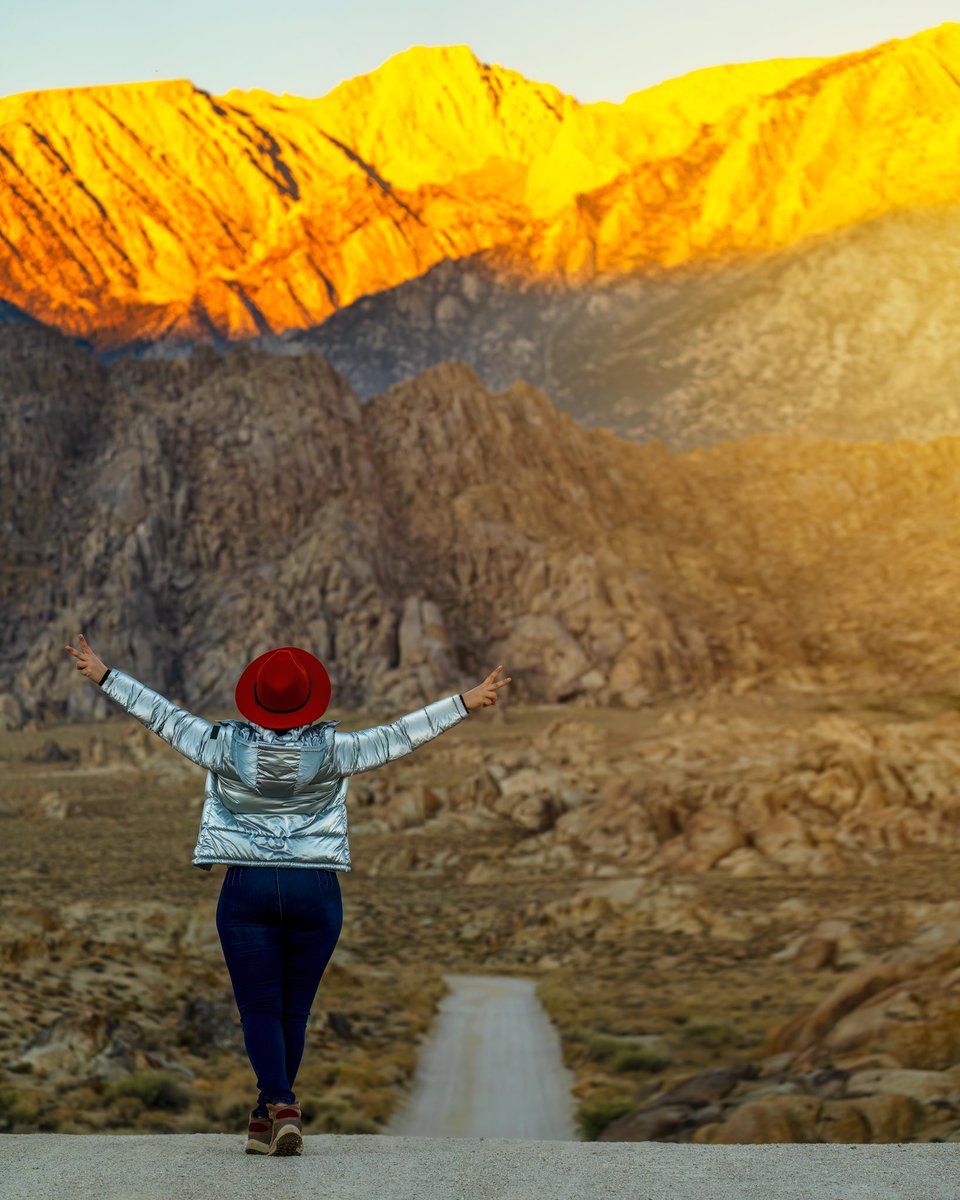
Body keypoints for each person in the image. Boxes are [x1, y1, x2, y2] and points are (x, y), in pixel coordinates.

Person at [64, 632, 511, 1156]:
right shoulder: (335, 751)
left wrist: (105, 675)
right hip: (315, 889)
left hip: (247, 885)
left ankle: (278, 1103)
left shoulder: (223, 747)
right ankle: (267, 1116)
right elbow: (398, 736)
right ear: (308, 701)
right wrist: (463, 702)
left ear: (255, 698)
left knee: (258, 1007)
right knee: (292, 1011)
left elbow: (163, 716)